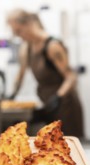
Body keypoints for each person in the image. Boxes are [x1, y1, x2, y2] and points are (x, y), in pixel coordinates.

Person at [7, 9, 84, 138]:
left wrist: (58, 97)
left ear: (29, 24)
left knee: (70, 143)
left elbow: (71, 77)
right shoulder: (26, 48)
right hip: (47, 103)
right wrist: (12, 95)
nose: (18, 36)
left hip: (65, 105)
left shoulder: (52, 46)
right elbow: (20, 75)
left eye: (19, 31)